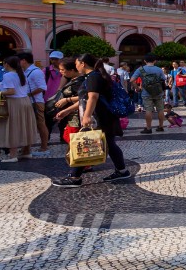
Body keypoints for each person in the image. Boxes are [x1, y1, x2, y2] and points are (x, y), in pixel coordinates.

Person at [51, 54, 130, 187]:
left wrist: (86, 116)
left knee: (86, 143)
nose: (75, 66)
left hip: (99, 117)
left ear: (83, 64)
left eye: (76, 64)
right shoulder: (95, 76)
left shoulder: (93, 77)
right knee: (110, 144)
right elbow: (85, 99)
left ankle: (75, 177)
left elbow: (93, 97)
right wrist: (68, 110)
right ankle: (122, 170)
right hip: (104, 117)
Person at [0, 56, 39, 162]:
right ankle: (27, 151)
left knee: (13, 128)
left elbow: (11, 91)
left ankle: (13, 155)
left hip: (14, 103)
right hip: (25, 101)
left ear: (7, 64)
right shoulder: (22, 74)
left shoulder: (8, 75)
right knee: (24, 126)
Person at [17, 52, 48, 155]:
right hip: (28, 102)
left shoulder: (36, 72)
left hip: (36, 102)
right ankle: (26, 148)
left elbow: (42, 87)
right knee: (28, 125)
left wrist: (28, 95)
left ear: (24, 60)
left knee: (40, 124)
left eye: (19, 61)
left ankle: (44, 147)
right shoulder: (24, 71)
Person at [131, 55, 168, 134]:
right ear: (155, 61)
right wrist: (164, 92)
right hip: (158, 92)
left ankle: (148, 128)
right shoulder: (159, 69)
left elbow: (132, 80)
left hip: (146, 92)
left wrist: (137, 88)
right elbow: (163, 81)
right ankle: (161, 126)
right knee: (160, 110)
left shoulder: (140, 69)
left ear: (145, 61)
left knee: (148, 110)